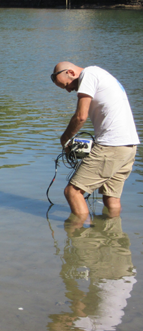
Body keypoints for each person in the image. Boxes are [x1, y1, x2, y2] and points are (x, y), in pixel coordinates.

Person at [51, 62, 139, 225]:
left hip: (111, 145)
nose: (69, 90)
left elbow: (80, 116)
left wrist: (64, 139)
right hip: (129, 146)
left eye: (67, 85)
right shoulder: (102, 74)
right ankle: (111, 241)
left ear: (70, 72)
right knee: (111, 198)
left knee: (72, 192)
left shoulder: (88, 75)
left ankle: (82, 240)